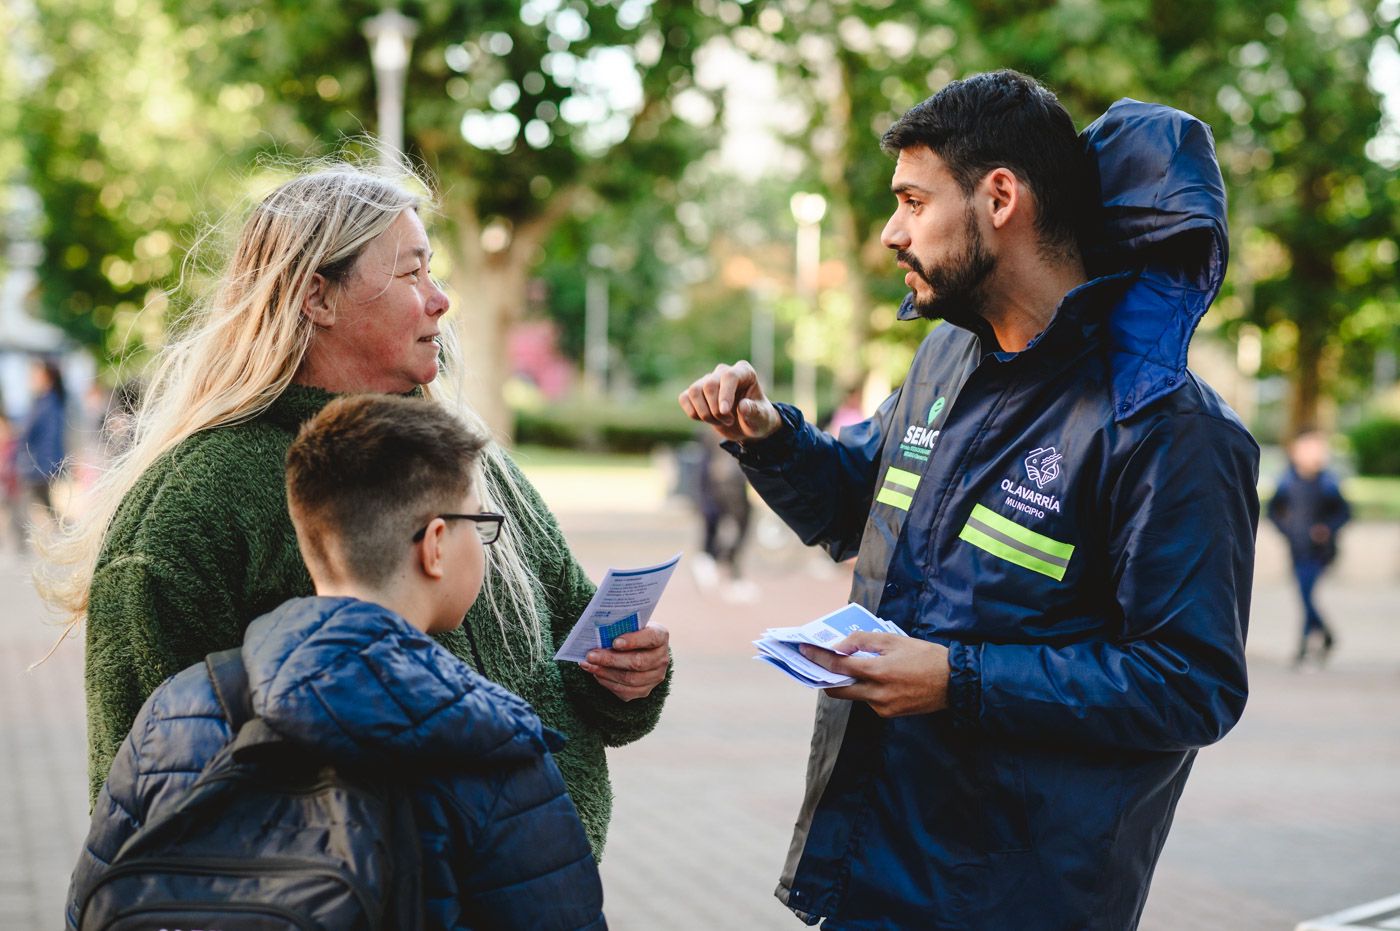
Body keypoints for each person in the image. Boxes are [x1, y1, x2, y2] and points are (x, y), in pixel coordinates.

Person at [680, 71, 1259, 929]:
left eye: (913, 201)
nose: (890, 232)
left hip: (1016, 897)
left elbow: (1189, 684)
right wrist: (769, 437)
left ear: (999, 197)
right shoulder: (945, 363)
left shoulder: (1169, 430)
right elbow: (855, 508)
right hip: (875, 863)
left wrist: (959, 679)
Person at [40, 162, 671, 861]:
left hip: (539, 899)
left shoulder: (468, 458)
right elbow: (144, 812)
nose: (440, 300)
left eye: (434, 272)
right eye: (411, 273)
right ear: (317, 295)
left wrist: (627, 678)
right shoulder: (192, 507)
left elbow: (579, 650)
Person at [67, 394, 605, 930]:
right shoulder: (491, 747)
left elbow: (96, 900)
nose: (484, 545)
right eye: (480, 524)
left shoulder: (175, 711)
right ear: (435, 544)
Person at [1268, 428, 1350, 665]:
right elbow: (1274, 511)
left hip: (1320, 552)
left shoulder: (1328, 483)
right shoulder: (1287, 481)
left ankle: (1304, 646)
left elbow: (1344, 513)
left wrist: (1327, 529)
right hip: (1297, 548)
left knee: (1306, 595)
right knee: (1305, 596)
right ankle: (1326, 635)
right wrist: (1287, 529)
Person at [18, 358, 67, 516]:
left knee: (47, 515)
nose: (31, 379)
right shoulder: (40, 403)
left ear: (47, 377)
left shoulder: (50, 404)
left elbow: (50, 440)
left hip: (41, 470)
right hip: (38, 469)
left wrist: (45, 470)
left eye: (35, 375)